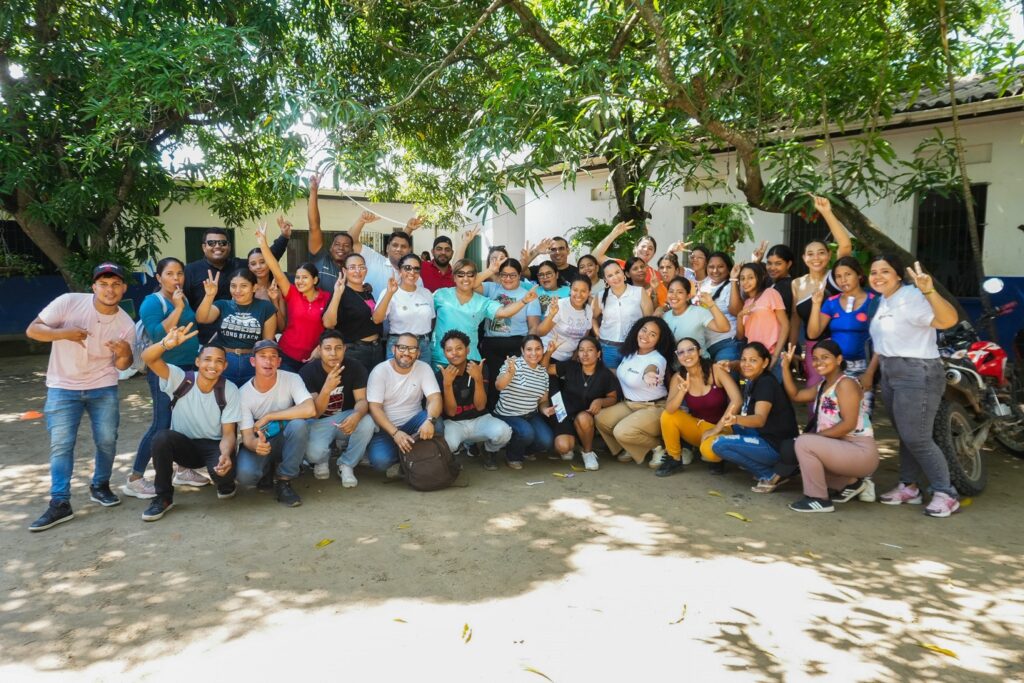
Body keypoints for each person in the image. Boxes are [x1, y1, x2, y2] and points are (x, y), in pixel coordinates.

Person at [27, 263, 135, 532]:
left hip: (103, 386)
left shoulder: (126, 323)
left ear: (123, 288)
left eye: (115, 284)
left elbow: (123, 365)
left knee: (107, 440)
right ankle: (60, 502)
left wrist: (124, 353)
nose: (109, 290)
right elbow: (33, 330)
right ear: (94, 287)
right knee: (62, 445)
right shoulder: (69, 302)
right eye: (103, 284)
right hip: (63, 386)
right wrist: (63, 333)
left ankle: (100, 485)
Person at [864, 256, 961, 517]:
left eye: (885, 271)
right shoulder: (883, 300)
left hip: (917, 372)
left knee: (916, 437)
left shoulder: (912, 296)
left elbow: (948, 320)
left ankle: (946, 493)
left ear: (898, 275)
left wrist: (929, 291)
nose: (878, 276)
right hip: (890, 370)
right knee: (907, 434)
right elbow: (883, 342)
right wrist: (873, 372)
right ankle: (909, 487)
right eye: (874, 272)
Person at [138, 325, 241, 521]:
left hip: (214, 445)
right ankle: (163, 497)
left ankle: (225, 482)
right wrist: (165, 344)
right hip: (185, 446)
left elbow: (229, 433)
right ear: (197, 362)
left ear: (225, 366)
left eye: (219, 361)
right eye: (207, 359)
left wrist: (225, 455)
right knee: (161, 438)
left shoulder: (230, 390)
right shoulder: (181, 379)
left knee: (224, 477)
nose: (212, 365)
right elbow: (148, 358)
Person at [129, 257, 203, 499]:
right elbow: (157, 333)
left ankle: (182, 469)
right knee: (161, 423)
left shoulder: (182, 297)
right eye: (170, 274)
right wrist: (178, 308)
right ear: (159, 277)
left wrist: (182, 304)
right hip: (163, 368)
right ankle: (135, 478)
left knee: (182, 421)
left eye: (179, 273)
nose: (176, 278)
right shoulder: (153, 302)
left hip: (187, 366)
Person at [779, 341, 879, 513]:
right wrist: (785, 367)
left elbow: (848, 424)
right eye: (815, 358)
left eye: (825, 357)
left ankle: (819, 499)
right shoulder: (823, 386)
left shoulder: (846, 384)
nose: (819, 362)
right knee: (802, 462)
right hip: (842, 448)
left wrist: (813, 439)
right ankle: (852, 483)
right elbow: (796, 395)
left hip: (860, 451)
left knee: (804, 443)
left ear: (839, 359)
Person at [707, 342, 799, 489]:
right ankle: (766, 463)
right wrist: (731, 364)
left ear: (765, 363)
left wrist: (736, 418)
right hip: (764, 435)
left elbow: (759, 420)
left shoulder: (765, 384)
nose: (746, 364)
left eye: (753, 360)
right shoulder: (755, 377)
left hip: (775, 446)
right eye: (744, 359)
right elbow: (742, 366)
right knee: (730, 429)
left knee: (719, 445)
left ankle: (769, 474)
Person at [236, 340, 317, 507]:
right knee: (246, 476)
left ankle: (284, 480)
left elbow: (310, 409)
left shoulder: (292, 378)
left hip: (284, 438)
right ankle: (267, 468)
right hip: (262, 439)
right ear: (253, 361)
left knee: (299, 425)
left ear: (279, 362)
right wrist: (256, 445)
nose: (268, 361)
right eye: (263, 356)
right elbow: (248, 437)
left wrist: (270, 416)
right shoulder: (243, 394)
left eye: (273, 356)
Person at [184, 226, 289, 342]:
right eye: (211, 243)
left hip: (244, 336)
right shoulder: (190, 270)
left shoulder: (239, 266)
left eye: (222, 243)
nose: (217, 246)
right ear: (204, 247)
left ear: (229, 246)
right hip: (203, 337)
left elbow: (268, 258)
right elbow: (184, 305)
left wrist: (284, 237)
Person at [299, 330, 375, 488]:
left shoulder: (355, 367)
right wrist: (327, 388)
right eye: (328, 348)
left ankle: (346, 464)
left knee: (367, 421)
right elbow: (315, 413)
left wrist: (357, 415)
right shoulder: (307, 372)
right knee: (313, 455)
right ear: (319, 350)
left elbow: (361, 400)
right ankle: (322, 459)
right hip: (318, 421)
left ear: (345, 349)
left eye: (338, 348)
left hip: (345, 416)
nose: (333, 353)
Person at [790, 196, 854, 384]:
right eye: (810, 254)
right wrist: (792, 349)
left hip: (839, 346)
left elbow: (845, 245)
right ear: (804, 258)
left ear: (829, 255)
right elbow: (795, 320)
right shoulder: (797, 284)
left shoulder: (835, 277)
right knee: (814, 391)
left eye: (821, 253)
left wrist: (826, 212)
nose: (816, 258)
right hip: (813, 349)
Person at [657, 337, 743, 477]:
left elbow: (737, 400)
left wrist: (716, 429)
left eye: (690, 350)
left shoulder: (715, 370)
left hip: (722, 428)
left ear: (700, 351)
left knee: (708, 451)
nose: (686, 355)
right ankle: (674, 459)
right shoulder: (678, 377)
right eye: (681, 352)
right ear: (678, 357)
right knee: (668, 416)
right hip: (698, 429)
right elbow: (670, 409)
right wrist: (682, 392)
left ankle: (717, 458)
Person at [595, 317, 673, 466]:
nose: (645, 336)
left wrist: (649, 374)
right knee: (601, 418)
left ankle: (659, 448)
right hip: (630, 404)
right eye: (644, 330)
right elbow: (621, 373)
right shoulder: (631, 353)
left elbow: (652, 368)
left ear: (659, 340)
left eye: (652, 334)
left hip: (653, 407)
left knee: (622, 431)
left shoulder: (658, 359)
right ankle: (630, 446)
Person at [432, 258, 539, 366]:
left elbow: (504, 312)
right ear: (454, 277)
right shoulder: (440, 295)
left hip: (470, 360)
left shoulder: (483, 302)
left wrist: (524, 301)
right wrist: (490, 270)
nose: (465, 278)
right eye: (460, 275)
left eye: (470, 274)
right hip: (441, 357)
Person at [365, 333, 444, 477]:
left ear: (418, 353)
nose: (407, 353)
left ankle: (411, 460)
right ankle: (415, 458)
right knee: (380, 462)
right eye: (402, 348)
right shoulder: (380, 371)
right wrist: (395, 433)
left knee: (436, 423)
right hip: (387, 429)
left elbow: (435, 398)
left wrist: (429, 420)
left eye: (412, 349)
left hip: (415, 423)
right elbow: (374, 408)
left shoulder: (424, 368)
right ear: (393, 349)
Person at [257, 223, 331, 372]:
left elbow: (331, 327)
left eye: (305, 277)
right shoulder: (292, 292)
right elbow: (276, 269)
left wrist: (320, 348)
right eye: (297, 277)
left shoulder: (327, 297)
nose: (299, 281)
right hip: (287, 355)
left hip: (314, 358)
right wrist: (263, 244)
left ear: (315, 280)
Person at [437, 330, 512, 470]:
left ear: (467, 350)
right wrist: (447, 384)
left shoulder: (478, 367)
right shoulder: (442, 374)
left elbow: (480, 406)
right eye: (449, 350)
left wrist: (478, 379)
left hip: (479, 419)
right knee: (448, 444)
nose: (454, 353)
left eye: (459, 348)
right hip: (454, 422)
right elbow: (451, 412)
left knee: (503, 432)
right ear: (444, 353)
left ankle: (488, 450)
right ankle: (459, 450)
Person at [543, 336, 618, 470]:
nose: (585, 354)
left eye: (590, 350)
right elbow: (544, 369)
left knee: (583, 418)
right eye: (581, 350)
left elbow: (612, 397)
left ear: (598, 354)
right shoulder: (571, 367)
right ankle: (574, 442)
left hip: (586, 417)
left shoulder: (605, 375)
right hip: (565, 414)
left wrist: (600, 401)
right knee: (563, 447)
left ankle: (587, 452)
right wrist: (549, 352)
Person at [195, 268, 277, 385]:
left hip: (252, 361)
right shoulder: (223, 305)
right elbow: (201, 318)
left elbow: (266, 343)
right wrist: (209, 296)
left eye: (243, 286)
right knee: (223, 394)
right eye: (233, 286)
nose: (237, 290)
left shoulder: (265, 307)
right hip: (224, 360)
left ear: (254, 287)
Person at [478, 258, 541, 405]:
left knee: (513, 383)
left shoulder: (529, 296)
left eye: (512, 275)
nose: (508, 279)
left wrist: (528, 351)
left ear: (519, 275)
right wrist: (490, 271)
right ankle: (493, 413)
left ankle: (510, 412)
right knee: (492, 382)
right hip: (491, 344)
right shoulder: (491, 288)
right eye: (504, 275)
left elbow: (533, 327)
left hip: (516, 344)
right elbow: (472, 285)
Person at [806, 256, 878, 380]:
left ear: (859, 275)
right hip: (835, 366)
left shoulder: (873, 301)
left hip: (863, 367)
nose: (843, 280)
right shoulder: (831, 302)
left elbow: (881, 341)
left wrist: (870, 373)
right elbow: (813, 334)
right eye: (838, 276)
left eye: (848, 274)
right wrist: (816, 304)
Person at [493, 335, 556, 469]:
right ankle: (513, 457)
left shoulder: (543, 373)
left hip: (530, 414)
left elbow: (543, 400)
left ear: (543, 350)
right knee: (527, 433)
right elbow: (499, 386)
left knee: (547, 441)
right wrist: (509, 374)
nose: (534, 353)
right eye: (529, 349)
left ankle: (523, 450)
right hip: (507, 414)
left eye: (538, 349)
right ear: (522, 350)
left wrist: (545, 409)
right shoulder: (513, 363)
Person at [322, 252, 384, 370]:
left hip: (376, 349)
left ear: (366, 270)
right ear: (344, 271)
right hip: (355, 351)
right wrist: (337, 293)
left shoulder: (367, 293)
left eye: (361, 267)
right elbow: (328, 323)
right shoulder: (340, 292)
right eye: (352, 267)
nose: (357, 271)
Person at [592, 259, 654, 369]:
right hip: (607, 348)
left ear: (623, 273)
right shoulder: (600, 296)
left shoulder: (639, 292)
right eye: (610, 275)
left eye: (617, 272)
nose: (615, 277)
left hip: (632, 346)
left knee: (630, 377)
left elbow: (649, 321)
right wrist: (598, 333)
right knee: (611, 379)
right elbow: (592, 317)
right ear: (605, 280)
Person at [730, 261, 789, 374]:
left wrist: (776, 356)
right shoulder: (747, 303)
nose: (745, 282)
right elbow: (740, 336)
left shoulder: (770, 293)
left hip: (773, 354)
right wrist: (740, 316)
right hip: (754, 359)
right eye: (742, 278)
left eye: (750, 278)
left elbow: (785, 325)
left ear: (760, 278)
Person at [375, 253, 436, 363]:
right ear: (400, 271)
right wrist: (389, 293)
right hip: (399, 345)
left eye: (416, 269)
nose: (412, 272)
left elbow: (431, 320)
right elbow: (377, 319)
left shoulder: (426, 293)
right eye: (407, 268)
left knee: (423, 374)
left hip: (423, 346)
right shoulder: (389, 292)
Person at [347, 211, 424, 296]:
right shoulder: (374, 259)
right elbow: (350, 242)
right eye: (395, 245)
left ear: (409, 250)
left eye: (403, 247)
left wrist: (409, 229)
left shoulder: (415, 278)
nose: (399, 249)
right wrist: (361, 221)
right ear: (387, 248)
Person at [306, 173, 355, 293]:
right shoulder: (321, 258)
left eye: (346, 245)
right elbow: (314, 226)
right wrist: (313, 191)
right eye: (337, 244)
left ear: (351, 251)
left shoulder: (352, 272)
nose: (341, 248)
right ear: (331, 247)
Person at [659, 277, 730, 357]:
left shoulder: (699, 312)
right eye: (671, 291)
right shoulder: (665, 316)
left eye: (680, 292)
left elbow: (724, 328)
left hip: (700, 362)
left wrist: (711, 305)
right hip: (676, 364)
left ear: (688, 296)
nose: (674, 295)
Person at [535, 275, 594, 361]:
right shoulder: (559, 305)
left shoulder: (588, 310)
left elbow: (583, 339)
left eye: (583, 291)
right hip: (549, 354)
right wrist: (551, 314)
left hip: (568, 358)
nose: (578, 294)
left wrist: (574, 359)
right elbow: (540, 333)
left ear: (589, 292)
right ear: (570, 290)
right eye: (575, 290)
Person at [698, 252, 739, 364]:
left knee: (724, 373)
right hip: (707, 345)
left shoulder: (731, 286)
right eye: (711, 267)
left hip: (726, 342)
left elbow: (736, 311)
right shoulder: (705, 284)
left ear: (728, 268)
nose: (715, 270)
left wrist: (733, 280)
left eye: (720, 266)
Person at [592, 220, 659, 285]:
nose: (646, 249)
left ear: (653, 254)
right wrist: (614, 234)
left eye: (650, 248)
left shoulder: (656, 275)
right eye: (643, 246)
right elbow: (595, 257)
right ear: (635, 249)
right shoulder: (621, 265)